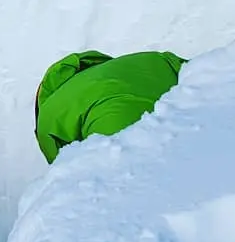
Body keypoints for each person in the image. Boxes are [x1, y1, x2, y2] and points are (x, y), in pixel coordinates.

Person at [34, 49, 187, 163]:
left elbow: (61, 168)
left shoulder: (49, 113)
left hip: (118, 129)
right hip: (186, 107)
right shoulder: (142, 60)